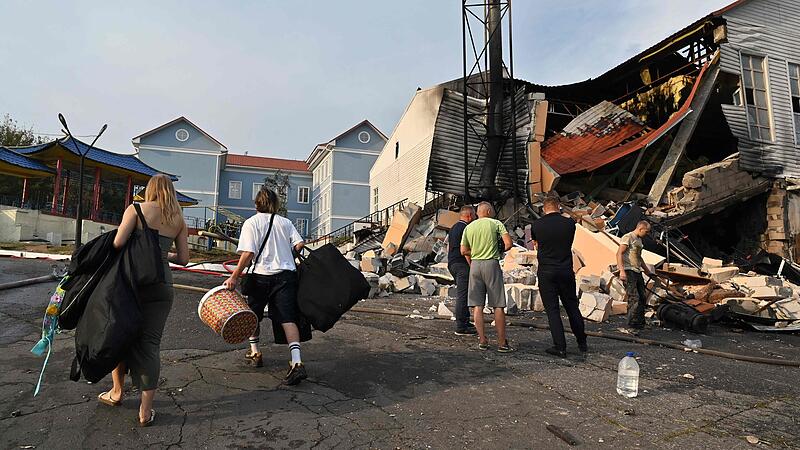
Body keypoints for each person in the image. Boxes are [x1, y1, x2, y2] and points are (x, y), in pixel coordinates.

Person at [97, 174, 190, 427]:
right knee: (150, 344)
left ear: (150, 190)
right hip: (161, 287)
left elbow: (118, 243)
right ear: (170, 191)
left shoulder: (136, 209)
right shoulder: (178, 218)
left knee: (119, 335)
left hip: (130, 284)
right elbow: (183, 259)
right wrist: (160, 253)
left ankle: (116, 393)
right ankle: (145, 413)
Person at [224, 187, 307, 385]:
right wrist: (286, 253)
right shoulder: (285, 222)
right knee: (288, 318)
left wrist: (234, 277)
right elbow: (299, 244)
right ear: (275, 204)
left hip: (260, 277)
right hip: (286, 276)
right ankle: (296, 362)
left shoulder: (251, 223)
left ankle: (255, 352)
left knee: (253, 316)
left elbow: (248, 254)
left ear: (256, 204)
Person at [530, 197, 587, 358]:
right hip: (565, 270)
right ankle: (582, 342)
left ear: (544, 208)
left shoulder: (537, 225)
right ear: (559, 207)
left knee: (553, 310)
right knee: (571, 307)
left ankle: (560, 346)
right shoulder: (569, 224)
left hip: (547, 271)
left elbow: (536, 244)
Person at [460, 201, 514, 352]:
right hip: (491, 263)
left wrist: (476, 251)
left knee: (478, 305)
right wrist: (498, 250)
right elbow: (508, 244)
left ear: (477, 213)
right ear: (489, 211)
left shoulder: (469, 227)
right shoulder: (496, 223)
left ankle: (483, 340)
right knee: (498, 304)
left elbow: (463, 250)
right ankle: (502, 343)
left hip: (475, 265)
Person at [617, 220, 653, 331]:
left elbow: (639, 257)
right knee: (634, 297)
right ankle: (631, 325)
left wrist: (647, 270)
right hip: (629, 270)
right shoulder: (628, 237)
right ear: (640, 228)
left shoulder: (639, 240)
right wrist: (621, 270)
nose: (646, 234)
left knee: (642, 297)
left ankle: (640, 323)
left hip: (637, 271)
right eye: (646, 231)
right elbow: (619, 253)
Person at [447, 205, 477, 335]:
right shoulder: (466, 228)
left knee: (463, 294)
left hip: (453, 263)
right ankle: (461, 326)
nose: (475, 217)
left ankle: (465, 320)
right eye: (474, 215)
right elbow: (465, 250)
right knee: (463, 295)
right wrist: (472, 265)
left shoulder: (453, 227)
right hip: (462, 264)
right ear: (469, 215)